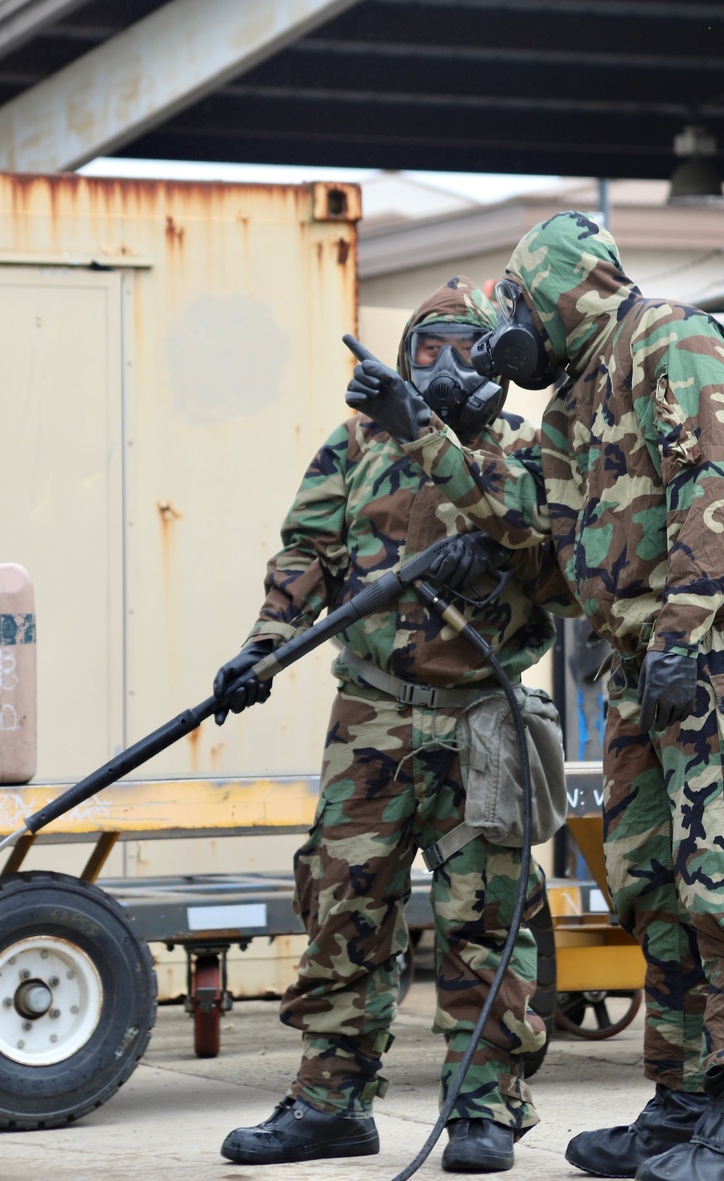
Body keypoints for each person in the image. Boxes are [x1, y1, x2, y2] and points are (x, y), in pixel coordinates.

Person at [348, 213, 724, 1181]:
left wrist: (682, 633)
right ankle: (686, 1102)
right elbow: (535, 531)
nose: (507, 332)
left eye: (515, 307)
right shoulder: (569, 409)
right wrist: (431, 435)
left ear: (559, 289)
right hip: (643, 669)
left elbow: (713, 485)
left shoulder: (667, 339)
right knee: (654, 887)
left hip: (721, 657)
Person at [216, 277, 569, 1173]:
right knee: (344, 911)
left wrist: (440, 439)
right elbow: (306, 550)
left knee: (487, 921)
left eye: (464, 349)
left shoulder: (524, 452)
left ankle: (484, 1109)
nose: (443, 367)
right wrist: (264, 643)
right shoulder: (355, 446)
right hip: (371, 714)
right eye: (425, 350)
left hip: (484, 719)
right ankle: (332, 1103)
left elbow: (542, 540)